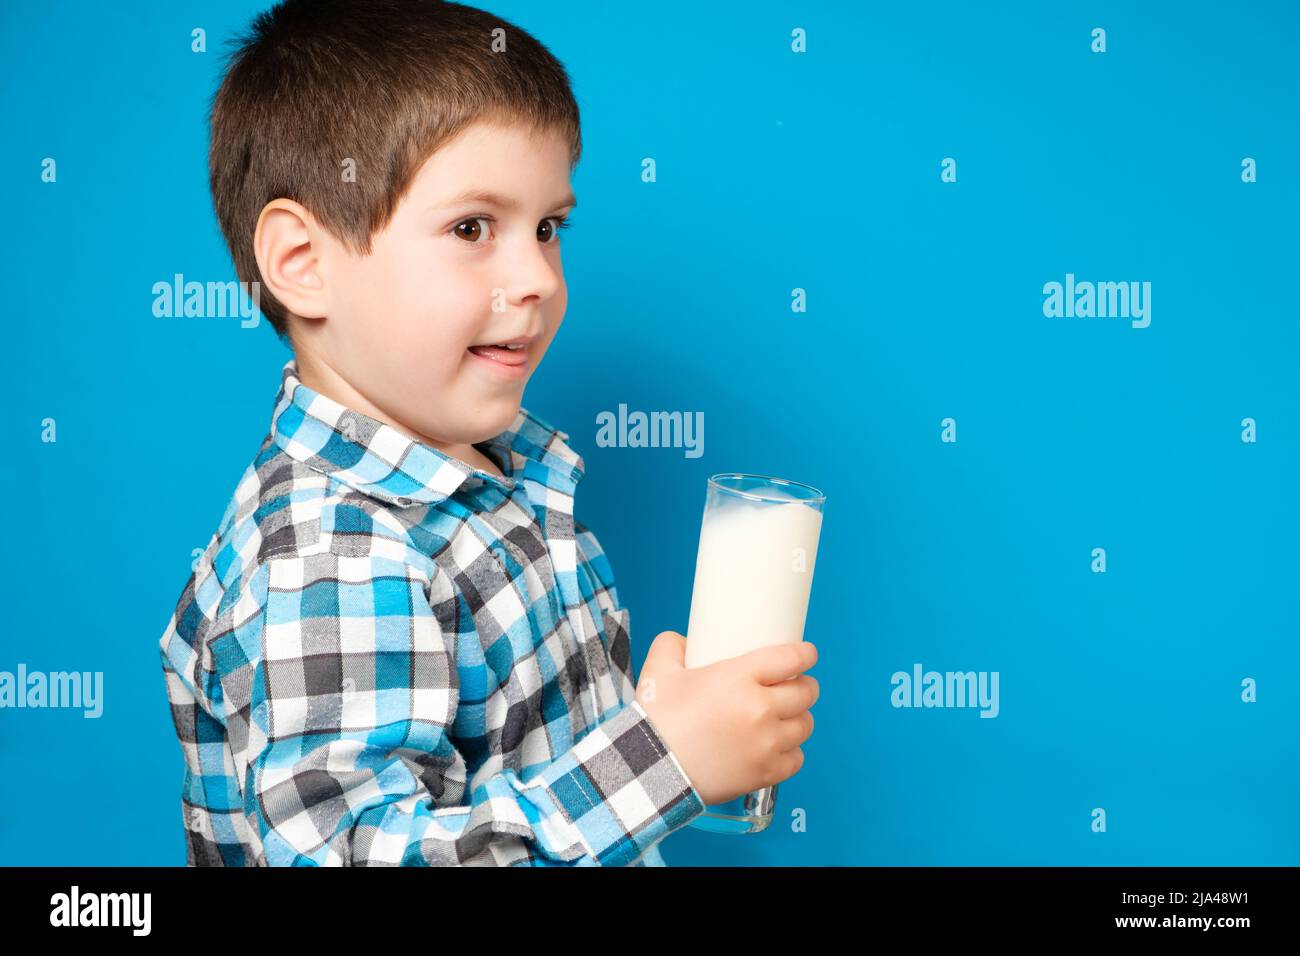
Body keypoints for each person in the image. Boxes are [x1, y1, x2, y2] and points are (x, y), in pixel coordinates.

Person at [157, 0, 818, 866]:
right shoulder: (334, 558)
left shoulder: (495, 476)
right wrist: (665, 761)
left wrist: (644, 725)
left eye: (549, 228)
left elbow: (520, 772)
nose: (538, 275)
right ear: (303, 264)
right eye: (473, 228)